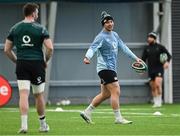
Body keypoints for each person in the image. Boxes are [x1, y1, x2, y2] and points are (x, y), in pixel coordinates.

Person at [80, 11, 141, 124]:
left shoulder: (115, 35)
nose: (110, 24)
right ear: (103, 24)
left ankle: (87, 112)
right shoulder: (100, 37)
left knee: (106, 94)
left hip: (111, 69)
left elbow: (124, 47)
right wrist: (87, 57)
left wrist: (136, 58)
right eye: (107, 22)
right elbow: (92, 48)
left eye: (111, 21)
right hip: (105, 68)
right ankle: (118, 118)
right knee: (116, 90)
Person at [4, 3, 53, 133]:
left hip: (22, 64)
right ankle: (43, 125)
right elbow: (50, 48)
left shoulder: (15, 28)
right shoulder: (41, 29)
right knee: (38, 95)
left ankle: (24, 125)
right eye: (37, 12)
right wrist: (45, 60)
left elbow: (7, 49)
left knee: (23, 94)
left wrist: (17, 61)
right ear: (33, 13)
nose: (37, 14)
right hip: (37, 64)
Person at [142, 32, 171, 108]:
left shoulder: (160, 47)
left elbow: (168, 55)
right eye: (148, 37)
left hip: (159, 68)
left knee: (158, 85)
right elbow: (143, 60)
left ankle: (159, 101)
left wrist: (167, 62)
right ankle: (155, 102)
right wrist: (141, 69)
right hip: (150, 70)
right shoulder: (146, 48)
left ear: (154, 38)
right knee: (153, 87)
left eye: (151, 37)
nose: (149, 39)